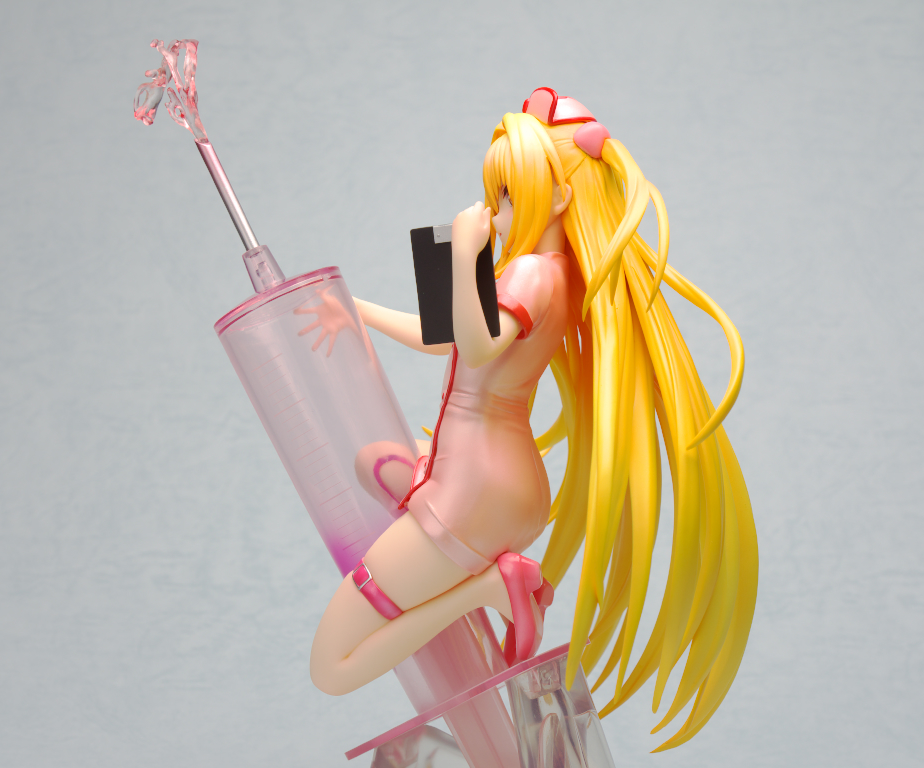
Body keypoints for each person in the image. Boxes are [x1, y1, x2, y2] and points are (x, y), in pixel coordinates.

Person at [304, 88, 757, 751]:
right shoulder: (557, 275)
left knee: (331, 668)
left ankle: (487, 586)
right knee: (371, 461)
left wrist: (465, 251)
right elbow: (452, 334)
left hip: (474, 490)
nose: (494, 211)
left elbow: (477, 344)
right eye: (494, 195)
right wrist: (357, 312)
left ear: (561, 196)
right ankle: (449, 535)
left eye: (509, 196)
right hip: (506, 482)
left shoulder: (530, 276)